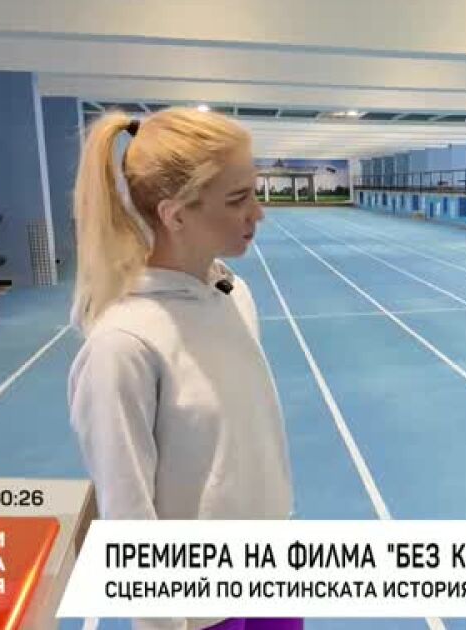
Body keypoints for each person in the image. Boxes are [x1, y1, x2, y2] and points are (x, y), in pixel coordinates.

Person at [67, 107, 301, 630]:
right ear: (175, 215)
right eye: (237, 199)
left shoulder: (234, 295)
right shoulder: (123, 344)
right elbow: (127, 512)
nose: (258, 213)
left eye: (255, 192)